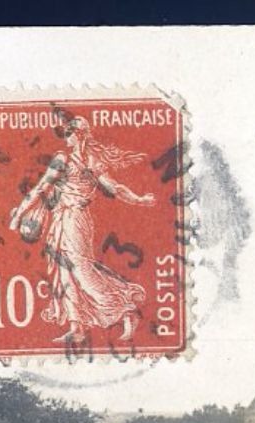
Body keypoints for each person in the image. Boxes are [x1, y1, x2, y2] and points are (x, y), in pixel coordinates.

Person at [8, 115, 157, 345]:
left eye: (69, 132)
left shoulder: (81, 159)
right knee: (63, 271)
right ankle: (76, 326)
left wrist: (138, 200)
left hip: (75, 219)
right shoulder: (77, 158)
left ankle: (124, 309)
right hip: (62, 218)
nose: (66, 137)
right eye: (65, 133)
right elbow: (41, 188)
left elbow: (113, 187)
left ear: (79, 135)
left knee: (80, 270)